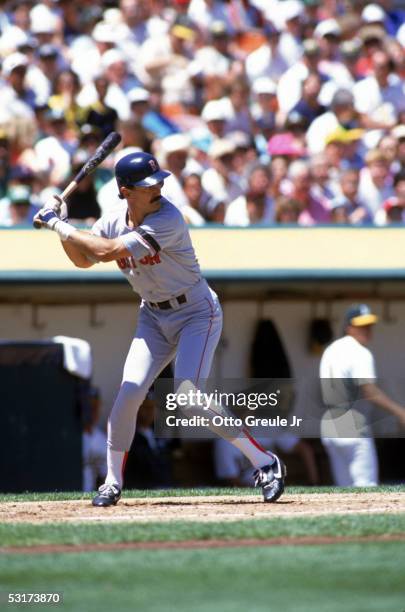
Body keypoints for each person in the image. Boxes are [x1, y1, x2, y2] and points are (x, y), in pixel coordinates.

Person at [34, 150, 287, 506]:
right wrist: (62, 229)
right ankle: (112, 482)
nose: (157, 188)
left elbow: (105, 252)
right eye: (146, 185)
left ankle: (265, 462)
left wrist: (59, 224)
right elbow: (82, 260)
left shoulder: (169, 218)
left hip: (197, 313)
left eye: (158, 181)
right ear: (124, 190)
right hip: (152, 315)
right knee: (128, 394)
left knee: (187, 397)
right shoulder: (112, 220)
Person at [319, 304, 405, 487]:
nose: (367, 330)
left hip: (329, 424)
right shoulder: (360, 352)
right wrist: (400, 412)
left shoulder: (331, 349)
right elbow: (369, 392)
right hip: (351, 423)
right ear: (348, 327)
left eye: (369, 325)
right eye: (361, 325)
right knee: (366, 486)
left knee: (345, 489)